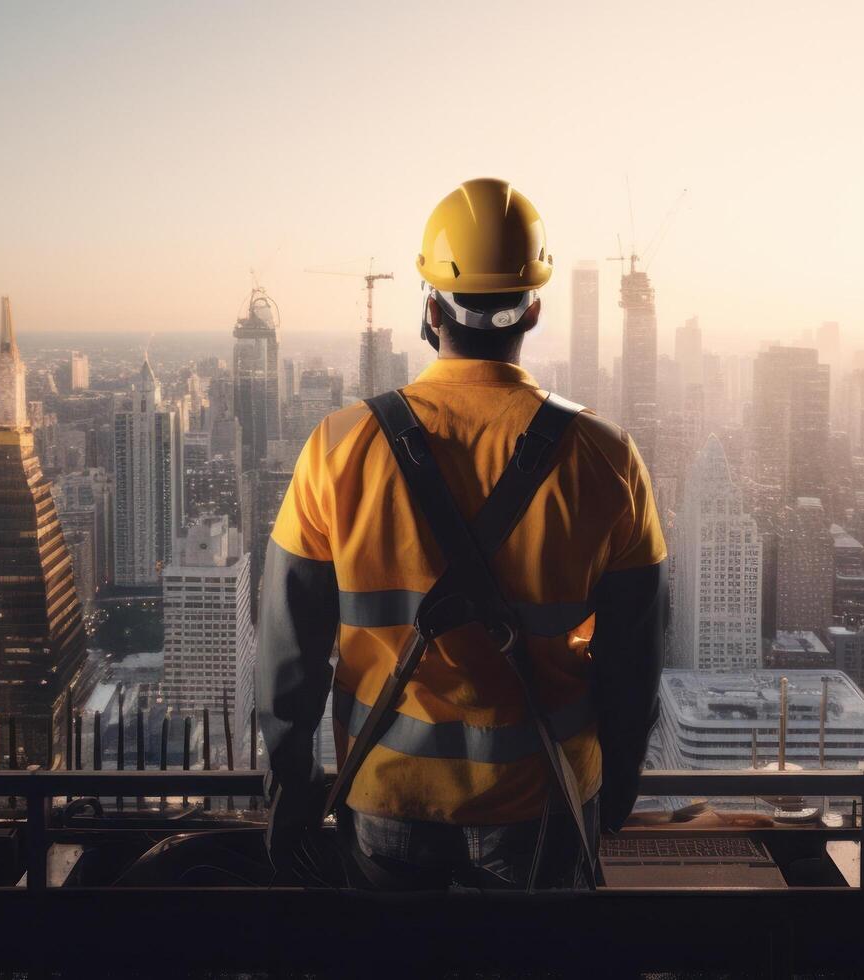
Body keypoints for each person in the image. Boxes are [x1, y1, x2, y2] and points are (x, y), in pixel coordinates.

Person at [254, 178, 669, 889]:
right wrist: (619, 781)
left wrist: (292, 792)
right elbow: (634, 657)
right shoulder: (606, 456)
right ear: (532, 309)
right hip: (544, 796)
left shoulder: (339, 445)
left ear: (429, 306)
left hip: (387, 792)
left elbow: (289, 654)